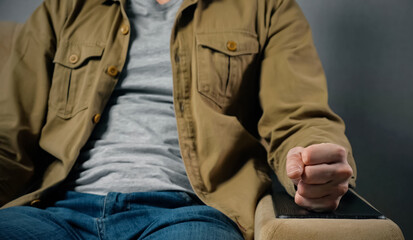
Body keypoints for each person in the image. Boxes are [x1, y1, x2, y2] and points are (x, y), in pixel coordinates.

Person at [0, 0, 356, 239]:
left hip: (189, 214)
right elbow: (9, 137)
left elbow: (299, 116)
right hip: (55, 211)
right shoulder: (64, 7)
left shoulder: (267, 7)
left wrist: (311, 157)